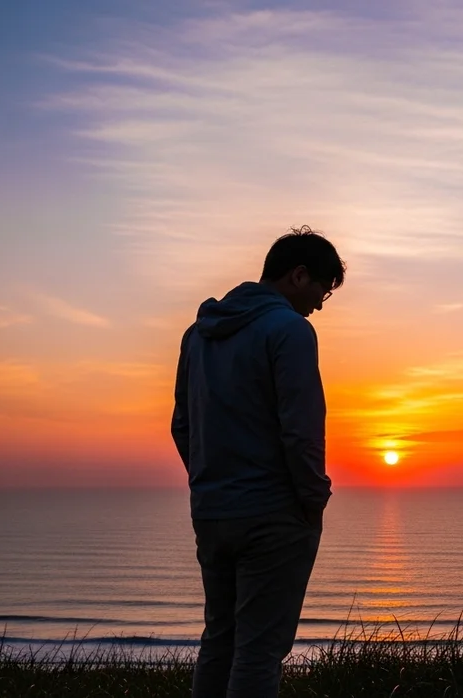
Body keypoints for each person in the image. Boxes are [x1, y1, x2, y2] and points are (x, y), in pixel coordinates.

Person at [171, 226, 345, 698]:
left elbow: (182, 426)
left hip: (212, 511)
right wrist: (313, 501)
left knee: (220, 640)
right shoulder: (290, 330)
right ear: (298, 275)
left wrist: (211, 483)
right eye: (322, 290)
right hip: (274, 514)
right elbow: (302, 431)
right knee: (259, 652)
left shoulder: (197, 334)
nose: (321, 304)